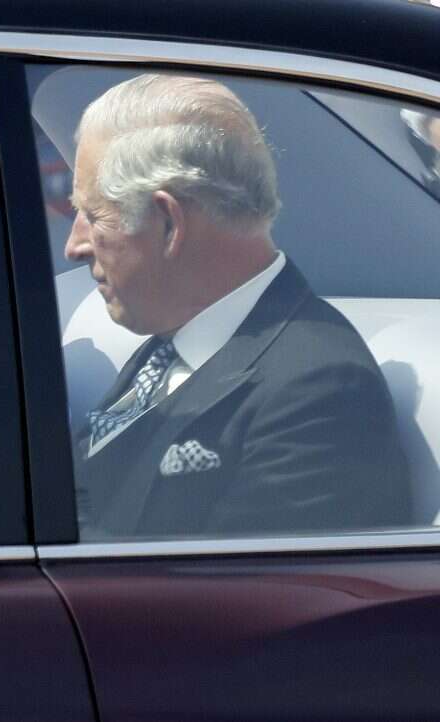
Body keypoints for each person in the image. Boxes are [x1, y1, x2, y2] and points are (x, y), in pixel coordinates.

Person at [65, 74, 411, 537]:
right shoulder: (172, 343)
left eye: (94, 216)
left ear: (169, 223)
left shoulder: (318, 393)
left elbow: (241, 600)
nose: (75, 245)